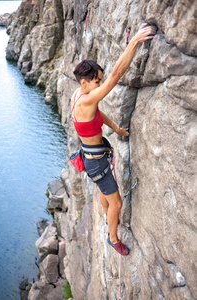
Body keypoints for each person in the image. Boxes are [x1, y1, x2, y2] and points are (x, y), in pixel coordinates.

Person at [71, 23, 156, 255]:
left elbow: (97, 113)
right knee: (116, 204)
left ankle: (107, 209)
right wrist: (135, 42)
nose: (100, 83)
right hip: (96, 161)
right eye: (97, 81)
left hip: (92, 158)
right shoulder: (85, 99)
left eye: (100, 79)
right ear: (85, 83)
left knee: (104, 190)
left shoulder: (80, 95)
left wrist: (115, 128)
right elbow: (116, 76)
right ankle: (112, 238)